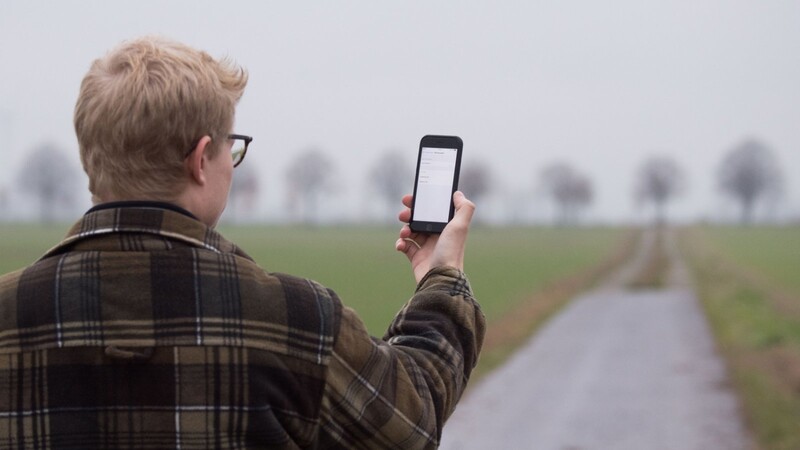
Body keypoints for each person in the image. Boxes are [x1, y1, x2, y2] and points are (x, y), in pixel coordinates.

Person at [0, 36, 484, 449]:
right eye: (232, 147)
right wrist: (441, 278)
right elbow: (411, 422)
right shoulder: (298, 319)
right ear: (201, 158)